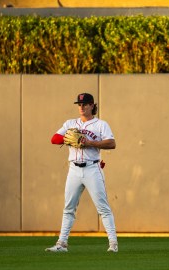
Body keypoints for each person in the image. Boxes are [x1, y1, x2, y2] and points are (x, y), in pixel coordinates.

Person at [46, 93, 118, 253]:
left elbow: (112, 143)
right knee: (68, 208)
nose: (81, 107)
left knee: (103, 208)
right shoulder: (71, 123)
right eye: (79, 104)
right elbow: (54, 139)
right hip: (74, 170)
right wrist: (69, 138)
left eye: (85, 104)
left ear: (92, 105)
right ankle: (61, 244)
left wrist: (90, 142)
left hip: (93, 168)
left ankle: (113, 244)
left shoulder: (100, 124)